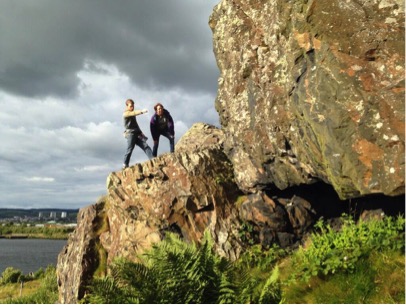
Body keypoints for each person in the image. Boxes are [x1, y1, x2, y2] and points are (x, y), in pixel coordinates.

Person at [122, 99, 153, 169]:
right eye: (130, 106)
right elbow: (134, 113)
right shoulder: (125, 114)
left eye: (133, 106)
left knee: (145, 146)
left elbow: (136, 124)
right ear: (127, 106)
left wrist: (141, 133)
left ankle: (153, 159)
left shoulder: (132, 114)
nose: (132, 108)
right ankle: (125, 164)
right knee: (130, 149)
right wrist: (142, 111)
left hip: (136, 133)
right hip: (130, 134)